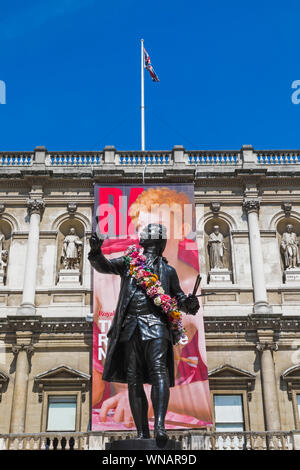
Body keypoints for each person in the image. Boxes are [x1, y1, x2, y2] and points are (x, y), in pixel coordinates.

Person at [88, 223, 200, 443]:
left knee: (160, 372)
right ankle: (142, 432)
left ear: (158, 243)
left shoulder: (168, 271)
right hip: (130, 327)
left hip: (157, 326)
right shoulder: (129, 263)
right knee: (134, 379)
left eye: (152, 238)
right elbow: (103, 266)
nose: (148, 241)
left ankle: (159, 426)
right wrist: (95, 251)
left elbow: (180, 300)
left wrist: (191, 303)